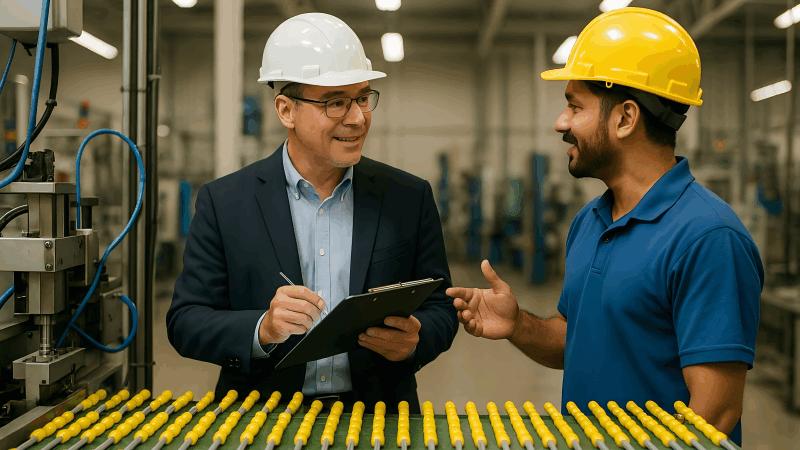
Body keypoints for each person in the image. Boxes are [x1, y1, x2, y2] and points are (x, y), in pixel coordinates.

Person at [448, 8, 761, 446]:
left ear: (625, 118)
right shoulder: (590, 221)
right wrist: (518, 323)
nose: (561, 122)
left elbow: (715, 413)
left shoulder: (707, 237)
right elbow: (570, 338)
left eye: (575, 106)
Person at [167, 12, 457, 414]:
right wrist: (261, 329)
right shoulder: (225, 201)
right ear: (286, 111)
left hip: (377, 417)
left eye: (362, 97)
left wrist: (416, 340)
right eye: (336, 103)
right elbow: (186, 321)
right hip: (261, 417)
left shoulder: (408, 197)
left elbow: (441, 304)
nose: (357, 118)